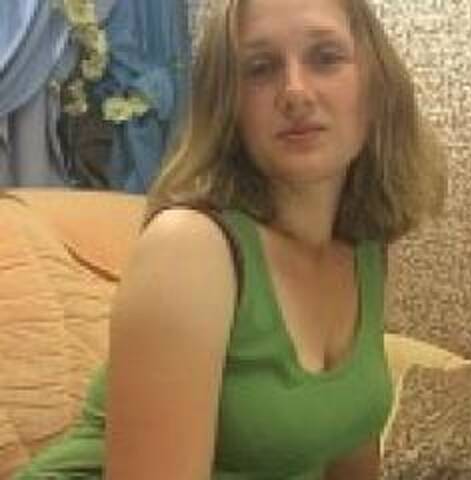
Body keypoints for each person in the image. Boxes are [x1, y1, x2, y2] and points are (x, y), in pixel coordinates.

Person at [14, 0, 445, 478]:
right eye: (260, 68)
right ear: (229, 106)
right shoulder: (190, 246)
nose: (295, 91)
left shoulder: (364, 247)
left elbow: (349, 450)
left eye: (325, 58)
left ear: (377, 85)